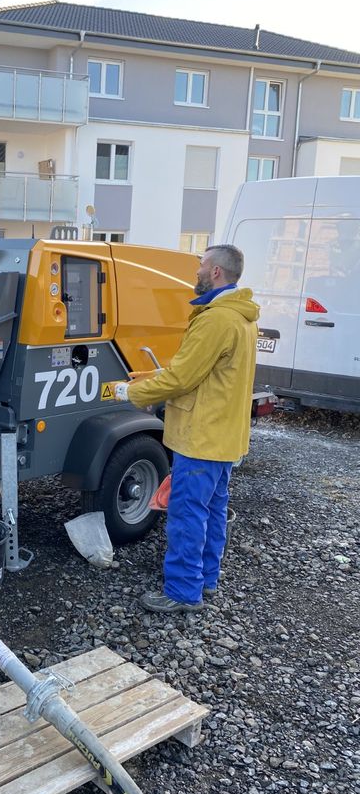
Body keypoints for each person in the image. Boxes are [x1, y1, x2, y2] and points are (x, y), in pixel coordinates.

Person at [115, 244, 259, 613]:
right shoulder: (241, 316)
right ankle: (205, 579)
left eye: (201, 265)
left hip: (201, 437)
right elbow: (207, 371)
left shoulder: (216, 319)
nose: (195, 271)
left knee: (186, 514)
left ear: (215, 273)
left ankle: (182, 591)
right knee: (211, 509)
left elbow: (182, 379)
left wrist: (129, 392)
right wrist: (158, 375)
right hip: (224, 435)